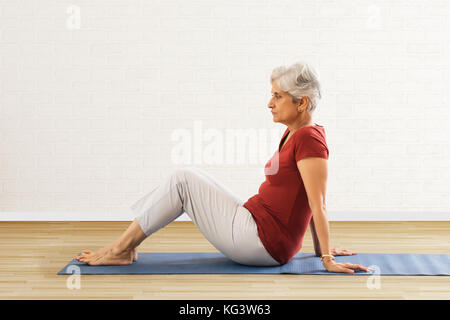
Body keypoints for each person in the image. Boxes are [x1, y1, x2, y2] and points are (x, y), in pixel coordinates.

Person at [75, 61, 372, 274]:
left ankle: (121, 249)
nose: (270, 103)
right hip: (256, 225)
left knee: (183, 180)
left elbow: (317, 203)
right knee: (187, 177)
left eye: (277, 96)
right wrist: (323, 250)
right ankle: (123, 247)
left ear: (301, 103)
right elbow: (306, 200)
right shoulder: (294, 133)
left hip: (262, 242)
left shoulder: (309, 139)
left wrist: (327, 258)